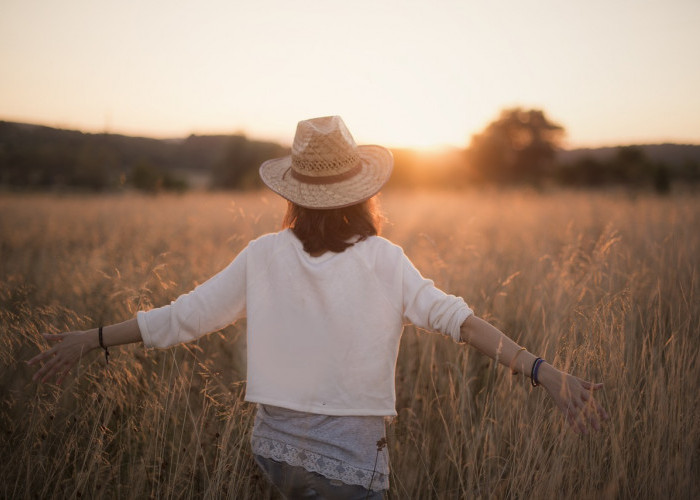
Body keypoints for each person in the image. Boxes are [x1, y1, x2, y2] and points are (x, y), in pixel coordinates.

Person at [28, 116, 608, 499]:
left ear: (295, 194)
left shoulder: (262, 255)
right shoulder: (385, 259)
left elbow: (182, 317)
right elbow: (461, 322)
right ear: (364, 191)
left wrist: (93, 338)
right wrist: (543, 371)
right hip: (351, 469)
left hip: (274, 458)